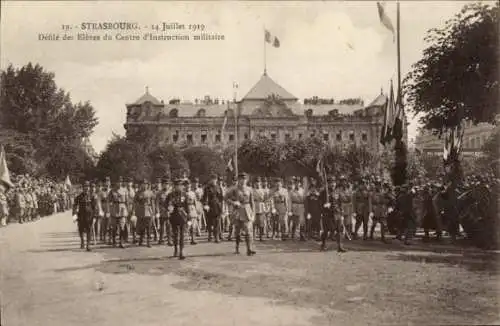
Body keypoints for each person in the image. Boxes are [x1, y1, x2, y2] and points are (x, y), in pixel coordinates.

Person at [225, 173, 256, 256]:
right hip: (237, 211)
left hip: (247, 209)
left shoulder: (249, 189)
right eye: (241, 179)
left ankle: (249, 249)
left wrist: (253, 213)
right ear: (238, 180)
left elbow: (252, 202)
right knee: (237, 231)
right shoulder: (234, 189)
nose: (243, 181)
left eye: (244, 179)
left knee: (248, 230)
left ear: (247, 180)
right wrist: (233, 202)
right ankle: (237, 248)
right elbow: (226, 198)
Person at [319, 176, 346, 252]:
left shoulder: (337, 192)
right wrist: (324, 206)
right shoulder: (324, 192)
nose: (333, 184)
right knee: (326, 231)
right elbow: (319, 203)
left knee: (339, 230)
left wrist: (342, 212)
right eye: (331, 182)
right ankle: (323, 244)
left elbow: (340, 203)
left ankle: (340, 246)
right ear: (328, 183)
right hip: (328, 215)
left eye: (334, 182)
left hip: (337, 214)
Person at [72, 181, 98, 251]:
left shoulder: (92, 196)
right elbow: (74, 206)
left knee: (89, 230)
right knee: (81, 230)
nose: (86, 188)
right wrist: (74, 216)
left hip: (89, 216)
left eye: (88, 186)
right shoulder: (79, 197)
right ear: (83, 188)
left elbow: (95, 207)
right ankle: (82, 241)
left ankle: (88, 245)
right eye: (85, 186)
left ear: (89, 188)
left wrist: (95, 216)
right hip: (81, 216)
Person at [166, 178, 189, 259]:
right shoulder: (170, 195)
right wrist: (169, 208)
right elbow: (166, 205)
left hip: (182, 216)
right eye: (178, 185)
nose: (180, 187)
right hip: (174, 215)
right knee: (175, 234)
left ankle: (181, 251)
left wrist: (188, 216)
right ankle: (176, 249)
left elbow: (187, 206)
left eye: (181, 185)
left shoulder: (185, 194)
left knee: (182, 234)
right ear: (174, 186)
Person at [202, 173, 224, 243]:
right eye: (212, 179)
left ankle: (216, 237)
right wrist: (205, 205)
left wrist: (221, 206)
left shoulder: (219, 187)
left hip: (217, 206)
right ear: (210, 180)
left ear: (216, 180)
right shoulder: (207, 188)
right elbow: (205, 198)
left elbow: (221, 198)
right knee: (209, 222)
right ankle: (209, 235)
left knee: (217, 222)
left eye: (215, 179)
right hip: (210, 206)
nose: (214, 181)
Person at [108, 178, 129, 248]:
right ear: (116, 183)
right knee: (114, 227)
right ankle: (114, 241)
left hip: (122, 208)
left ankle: (121, 242)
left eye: (120, 182)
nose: (119, 183)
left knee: (122, 226)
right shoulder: (112, 191)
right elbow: (109, 200)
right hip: (114, 209)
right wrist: (109, 209)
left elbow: (127, 201)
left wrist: (128, 210)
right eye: (118, 182)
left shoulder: (125, 190)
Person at [134, 179, 155, 247]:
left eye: (146, 184)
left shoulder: (150, 192)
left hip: (148, 210)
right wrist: (136, 211)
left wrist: (153, 211)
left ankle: (148, 241)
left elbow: (152, 202)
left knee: (148, 226)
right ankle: (141, 239)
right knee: (141, 227)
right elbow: (135, 202)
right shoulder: (138, 193)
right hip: (141, 211)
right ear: (141, 185)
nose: (145, 185)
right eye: (143, 184)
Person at [156, 178, 172, 246]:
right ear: (162, 185)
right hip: (162, 211)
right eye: (164, 184)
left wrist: (171, 209)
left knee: (169, 226)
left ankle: (169, 240)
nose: (166, 185)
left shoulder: (170, 193)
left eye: (167, 184)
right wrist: (157, 211)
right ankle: (161, 239)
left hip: (169, 211)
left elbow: (172, 202)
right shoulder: (159, 193)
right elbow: (157, 203)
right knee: (162, 226)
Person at [185, 179, 199, 245]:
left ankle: (193, 239)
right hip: (186, 210)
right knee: (188, 225)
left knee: (193, 226)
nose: (188, 186)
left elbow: (195, 202)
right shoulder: (183, 193)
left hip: (192, 210)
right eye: (186, 185)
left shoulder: (193, 193)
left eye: (189, 185)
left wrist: (197, 211)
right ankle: (186, 239)